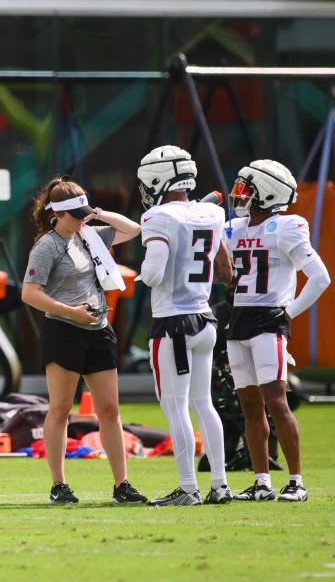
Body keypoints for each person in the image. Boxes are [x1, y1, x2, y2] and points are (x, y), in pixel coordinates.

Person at [22, 176, 147, 505]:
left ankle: (122, 485)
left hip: (98, 329)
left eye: (83, 213)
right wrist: (70, 311)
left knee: (110, 410)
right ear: (57, 215)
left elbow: (133, 229)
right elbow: (30, 293)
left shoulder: (90, 234)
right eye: (75, 214)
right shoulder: (47, 246)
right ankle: (58, 485)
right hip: (63, 330)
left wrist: (96, 213)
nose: (81, 219)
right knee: (61, 409)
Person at [225, 160, 330, 503]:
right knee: (250, 406)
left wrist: (289, 312)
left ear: (266, 193)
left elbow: (320, 277)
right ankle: (261, 481)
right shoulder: (232, 228)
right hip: (238, 320)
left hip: (269, 320)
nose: (240, 193)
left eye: (247, 187)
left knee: (276, 401)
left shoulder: (286, 226)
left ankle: (297, 481)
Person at [137, 145, 234, 506]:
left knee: (175, 406)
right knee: (203, 403)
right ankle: (221, 485)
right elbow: (226, 271)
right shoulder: (210, 212)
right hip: (205, 318)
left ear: (158, 179)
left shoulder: (158, 217)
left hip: (172, 323)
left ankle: (188, 487)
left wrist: (132, 275)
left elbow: (154, 272)